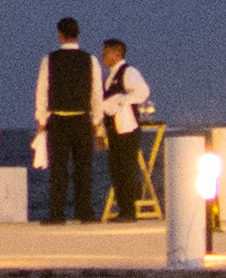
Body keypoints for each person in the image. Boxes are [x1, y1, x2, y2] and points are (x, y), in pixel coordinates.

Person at [37, 17, 96, 225]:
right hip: (82, 118)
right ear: (78, 34)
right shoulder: (90, 60)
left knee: (59, 169)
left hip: (59, 120)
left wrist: (41, 119)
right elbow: (96, 92)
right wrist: (97, 122)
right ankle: (85, 212)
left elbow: (42, 91)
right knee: (84, 168)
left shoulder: (49, 60)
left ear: (60, 35)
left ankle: (57, 213)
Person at [95, 38, 157, 221]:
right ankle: (124, 209)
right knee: (116, 168)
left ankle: (129, 210)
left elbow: (143, 91)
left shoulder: (128, 72)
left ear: (116, 53)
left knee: (127, 167)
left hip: (127, 128)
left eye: (105, 52)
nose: (102, 56)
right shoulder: (110, 76)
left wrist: (121, 101)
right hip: (113, 128)